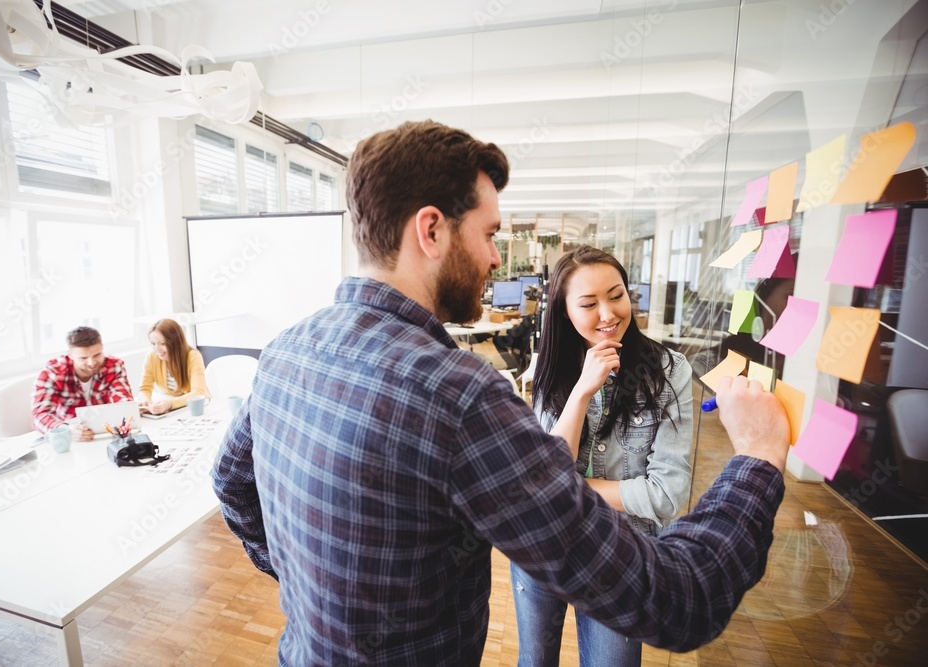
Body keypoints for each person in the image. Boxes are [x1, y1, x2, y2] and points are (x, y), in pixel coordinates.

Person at [211, 120, 791, 666]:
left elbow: (230, 481)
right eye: (489, 233)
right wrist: (759, 458)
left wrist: (304, 585)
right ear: (431, 229)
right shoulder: (459, 395)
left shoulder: (285, 350)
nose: (495, 256)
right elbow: (678, 600)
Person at [511, 245, 693, 667]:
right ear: (564, 313)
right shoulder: (552, 366)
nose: (609, 314)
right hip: (544, 548)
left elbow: (665, 495)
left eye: (617, 295)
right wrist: (582, 391)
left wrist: (569, 489)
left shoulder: (669, 372)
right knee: (535, 661)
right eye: (589, 304)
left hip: (620, 557)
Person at [32, 326, 133, 440]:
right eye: (83, 358)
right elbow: (39, 416)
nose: (92, 363)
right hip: (71, 434)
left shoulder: (114, 365)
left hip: (105, 431)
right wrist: (67, 429)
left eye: (97, 355)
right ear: (70, 355)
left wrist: (124, 415)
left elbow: (124, 403)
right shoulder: (52, 373)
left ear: (102, 348)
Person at [136, 318, 210, 415]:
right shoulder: (151, 357)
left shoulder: (193, 356)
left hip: (199, 407)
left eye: (162, 344)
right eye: (153, 343)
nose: (156, 349)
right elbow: (145, 388)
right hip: (175, 411)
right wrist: (144, 400)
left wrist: (170, 404)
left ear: (175, 343)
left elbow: (198, 393)